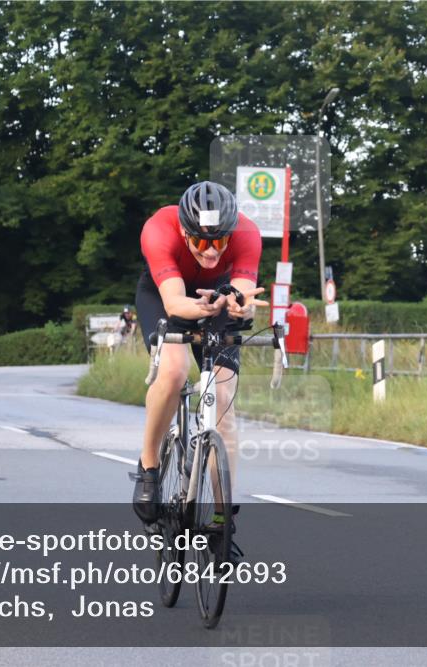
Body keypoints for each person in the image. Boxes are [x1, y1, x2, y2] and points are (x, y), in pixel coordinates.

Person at [131, 181, 266, 551]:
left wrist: (239, 305)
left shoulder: (248, 234)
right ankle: (149, 467)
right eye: (201, 242)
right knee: (173, 372)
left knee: (223, 398)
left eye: (220, 241)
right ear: (184, 231)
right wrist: (207, 307)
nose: (211, 250)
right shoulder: (158, 229)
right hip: (166, 295)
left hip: (217, 296)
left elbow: (243, 295)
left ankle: (223, 522)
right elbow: (175, 303)